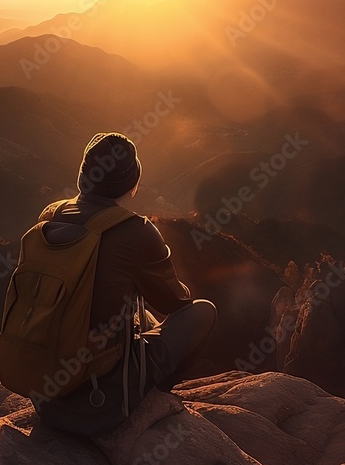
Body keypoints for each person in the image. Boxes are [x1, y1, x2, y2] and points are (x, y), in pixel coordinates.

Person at [34, 132, 216, 435]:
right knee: (202, 312)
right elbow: (176, 302)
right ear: (132, 183)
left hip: (44, 393)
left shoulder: (50, 214)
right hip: (100, 404)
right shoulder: (135, 230)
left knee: (137, 314)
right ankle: (154, 394)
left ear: (83, 177)